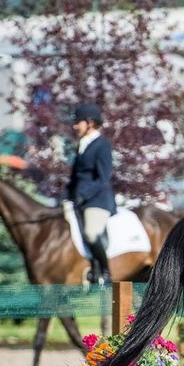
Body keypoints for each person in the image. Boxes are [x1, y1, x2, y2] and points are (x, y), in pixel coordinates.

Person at [67, 102, 116, 286]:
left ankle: (105, 270)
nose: (74, 126)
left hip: (97, 201)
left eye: (78, 122)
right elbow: (74, 178)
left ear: (90, 123)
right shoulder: (81, 145)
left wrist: (83, 195)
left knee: (90, 233)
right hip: (79, 200)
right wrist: (67, 197)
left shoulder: (102, 145)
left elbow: (103, 178)